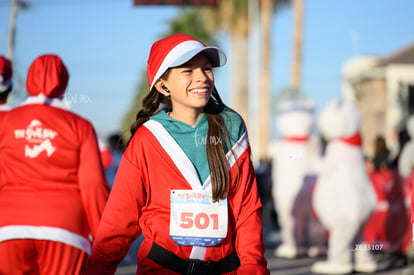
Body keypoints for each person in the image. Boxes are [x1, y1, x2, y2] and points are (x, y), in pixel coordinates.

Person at [84, 33, 269, 274]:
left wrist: (253, 267)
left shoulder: (232, 127)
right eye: (188, 71)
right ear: (163, 85)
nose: (202, 78)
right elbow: (119, 219)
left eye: (206, 69)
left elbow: (246, 209)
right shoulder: (147, 138)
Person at [0, 54, 109, 275]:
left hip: (8, 228)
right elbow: (93, 187)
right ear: (64, 83)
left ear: (29, 81)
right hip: (66, 231)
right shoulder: (81, 126)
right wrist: (105, 243)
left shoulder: (6, 121)